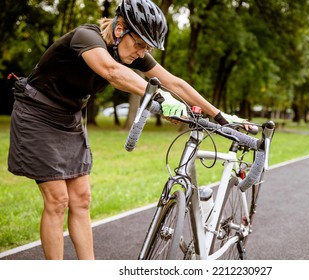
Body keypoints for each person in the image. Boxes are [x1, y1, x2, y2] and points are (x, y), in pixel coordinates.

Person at [8, 0, 245, 260]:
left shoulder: (130, 48)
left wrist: (221, 116)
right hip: (37, 113)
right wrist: (162, 100)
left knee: (82, 198)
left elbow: (173, 82)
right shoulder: (85, 37)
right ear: (120, 29)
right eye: (140, 45)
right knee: (57, 200)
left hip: (70, 117)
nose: (142, 53)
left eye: (147, 47)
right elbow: (111, 71)